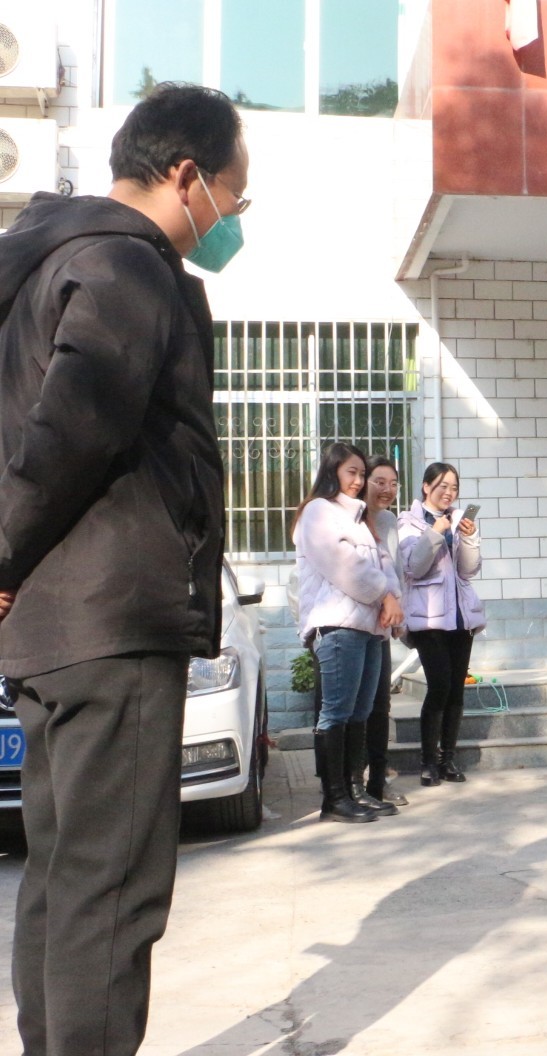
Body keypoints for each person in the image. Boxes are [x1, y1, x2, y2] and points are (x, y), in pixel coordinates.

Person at [0, 83, 241, 1056]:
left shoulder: (43, 264)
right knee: (112, 894)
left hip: (49, 626)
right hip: (115, 618)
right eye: (233, 193)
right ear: (185, 175)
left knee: (61, 878)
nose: (231, 218)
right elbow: (73, 428)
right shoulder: (127, 265)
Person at [293, 442, 404, 823]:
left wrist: (394, 602)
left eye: (361, 473)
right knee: (336, 711)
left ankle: (356, 790)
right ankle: (334, 798)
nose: (358, 481)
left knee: (360, 711)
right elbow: (346, 566)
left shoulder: (358, 517)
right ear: (333, 472)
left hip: (369, 627)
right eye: (351, 473)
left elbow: (384, 564)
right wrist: (385, 596)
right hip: (337, 625)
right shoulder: (319, 512)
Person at [398, 462, 486, 786]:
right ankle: (428, 762)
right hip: (428, 618)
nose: (449, 493)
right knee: (438, 687)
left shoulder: (459, 519)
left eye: (454, 487)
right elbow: (414, 566)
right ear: (426, 487)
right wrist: (435, 532)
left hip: (461, 617)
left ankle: (448, 759)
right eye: (442, 486)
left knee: (455, 691)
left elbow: (468, 570)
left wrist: (470, 538)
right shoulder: (408, 522)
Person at [363, 456, 410, 808]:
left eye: (393, 484)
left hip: (380, 628)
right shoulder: (345, 518)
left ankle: (377, 783)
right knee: (352, 711)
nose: (388, 490)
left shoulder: (390, 521)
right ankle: (345, 783)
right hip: (348, 628)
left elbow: (395, 570)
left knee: (380, 707)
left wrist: (398, 618)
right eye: (380, 482)